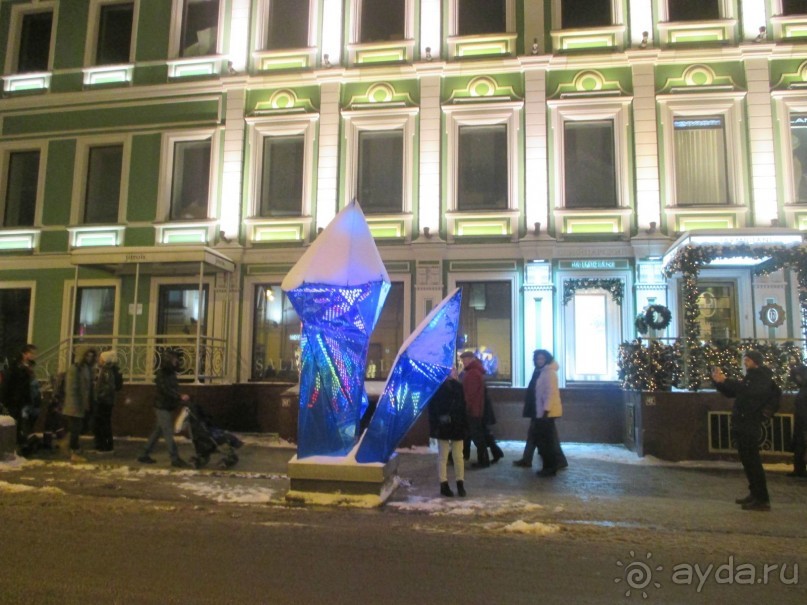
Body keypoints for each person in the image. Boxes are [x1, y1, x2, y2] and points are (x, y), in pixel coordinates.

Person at [712, 351, 777, 512]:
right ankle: (754, 493)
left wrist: (725, 380)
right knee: (748, 461)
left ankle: (762, 498)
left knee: (753, 461)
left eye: (747, 360)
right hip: (743, 423)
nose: (745, 363)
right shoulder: (751, 377)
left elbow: (745, 390)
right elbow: (734, 392)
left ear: (756, 362)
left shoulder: (760, 377)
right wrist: (719, 383)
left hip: (750, 422)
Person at [138, 351, 190, 468]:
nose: (177, 361)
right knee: (167, 432)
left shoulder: (171, 373)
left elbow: (172, 389)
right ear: (169, 360)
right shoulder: (162, 374)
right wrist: (178, 397)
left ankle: (143, 453)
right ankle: (174, 458)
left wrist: (178, 398)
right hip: (162, 407)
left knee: (158, 431)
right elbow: (165, 390)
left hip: (167, 406)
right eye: (175, 359)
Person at [428, 369, 468, 497]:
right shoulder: (442, 387)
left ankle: (456, 483)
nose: (453, 373)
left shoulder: (454, 387)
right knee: (447, 456)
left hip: (451, 425)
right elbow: (433, 409)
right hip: (448, 425)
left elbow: (463, 407)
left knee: (454, 456)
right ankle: (447, 484)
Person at [3, 344, 42, 456]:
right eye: (32, 353)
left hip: (26, 400)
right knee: (18, 424)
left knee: (25, 424)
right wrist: (6, 400)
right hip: (15, 401)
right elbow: (9, 384)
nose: (34, 355)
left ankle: (23, 445)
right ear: (24, 354)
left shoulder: (29, 367)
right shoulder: (16, 367)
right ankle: (17, 448)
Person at [532, 349, 565, 477]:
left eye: (542, 358)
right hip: (544, 412)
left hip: (547, 412)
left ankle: (550, 467)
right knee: (546, 441)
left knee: (547, 442)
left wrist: (546, 410)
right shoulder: (544, 372)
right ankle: (549, 466)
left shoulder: (549, 373)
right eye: (537, 359)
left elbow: (550, 394)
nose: (539, 361)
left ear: (547, 359)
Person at [63, 346, 97, 463]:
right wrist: (77, 404)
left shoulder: (87, 368)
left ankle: (70, 446)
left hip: (84, 403)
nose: (89, 358)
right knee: (75, 429)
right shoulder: (75, 368)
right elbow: (72, 388)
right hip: (75, 404)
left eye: (92, 356)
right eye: (87, 355)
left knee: (79, 428)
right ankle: (72, 451)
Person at [459, 351, 490, 469]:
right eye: (462, 360)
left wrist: (467, 407)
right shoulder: (476, 371)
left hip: (473, 410)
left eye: (465, 359)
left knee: (477, 436)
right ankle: (482, 459)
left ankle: (483, 460)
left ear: (471, 359)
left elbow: (469, 394)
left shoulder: (472, 373)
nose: (463, 362)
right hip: (476, 409)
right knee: (476, 435)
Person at [93, 350, 122, 452]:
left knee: (102, 423)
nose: (98, 360)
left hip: (104, 401)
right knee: (104, 422)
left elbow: (108, 387)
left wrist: (98, 396)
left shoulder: (106, 371)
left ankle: (104, 446)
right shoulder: (108, 369)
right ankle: (105, 445)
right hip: (107, 401)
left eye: (101, 358)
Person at [788, 364, 807, 478]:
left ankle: (799, 469)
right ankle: (799, 469)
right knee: (800, 447)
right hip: (801, 422)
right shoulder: (803, 389)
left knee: (801, 446)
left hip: (803, 422)